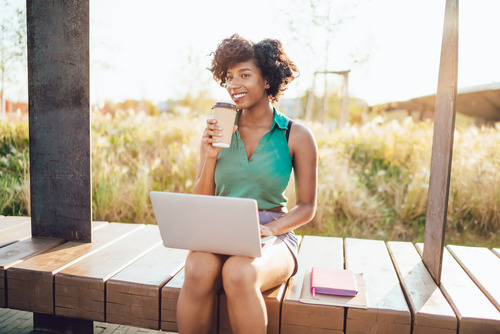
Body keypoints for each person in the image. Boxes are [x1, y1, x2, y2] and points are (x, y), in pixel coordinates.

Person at [177, 34, 318, 334]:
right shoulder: (219, 129)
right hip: (220, 229)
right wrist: (210, 156)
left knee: (239, 273)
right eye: (229, 77)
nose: (234, 85)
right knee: (197, 269)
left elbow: (307, 207)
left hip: (273, 234)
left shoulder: (296, 135)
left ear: (267, 80)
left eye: (244, 75)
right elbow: (201, 200)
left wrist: (271, 229)